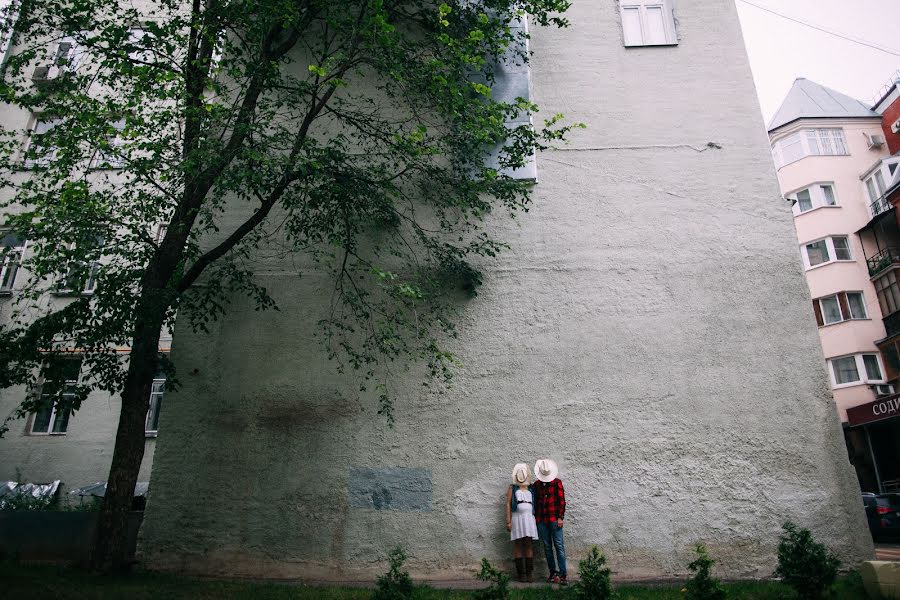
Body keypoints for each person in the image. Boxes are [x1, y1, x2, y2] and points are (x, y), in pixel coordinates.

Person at [533, 458, 567, 585]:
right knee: (547, 547)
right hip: (542, 520)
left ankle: (563, 574)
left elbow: (561, 501)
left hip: (554, 519)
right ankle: (553, 573)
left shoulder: (557, 483)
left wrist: (560, 517)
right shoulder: (536, 485)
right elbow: (535, 502)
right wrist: (536, 519)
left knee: (559, 546)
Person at [506, 463, 539, 582]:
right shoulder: (512, 488)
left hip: (529, 518)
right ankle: (521, 574)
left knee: (529, 544)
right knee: (518, 544)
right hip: (517, 518)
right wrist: (508, 521)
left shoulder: (531, 489)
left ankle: (529, 573)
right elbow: (508, 504)